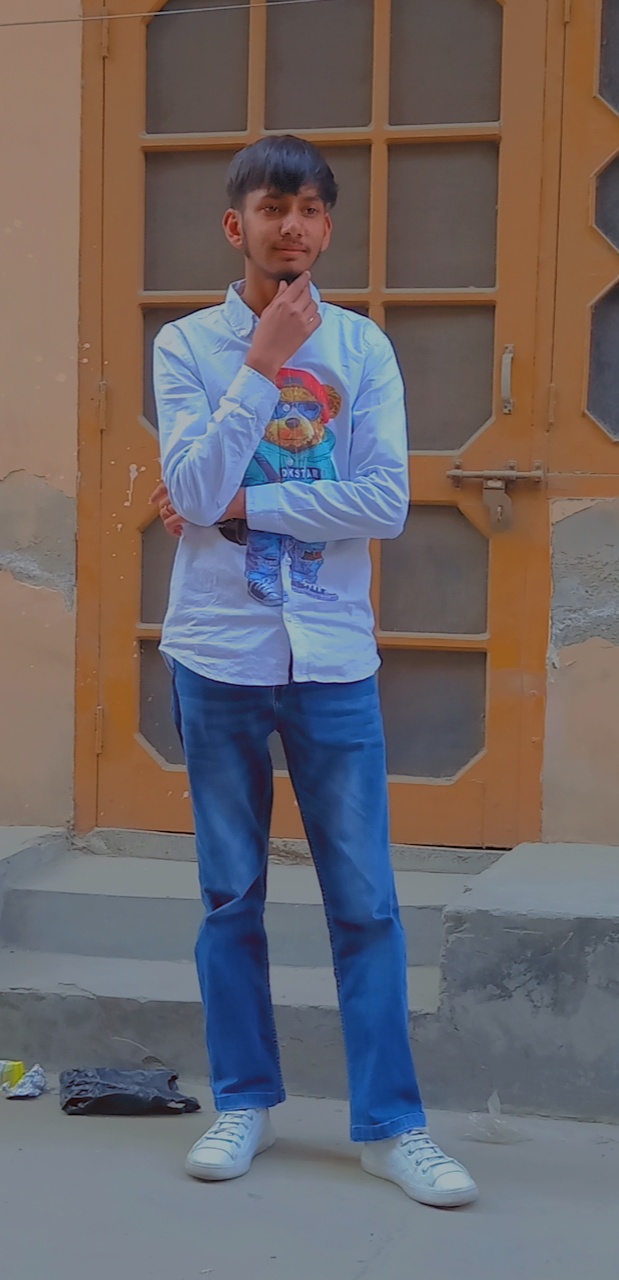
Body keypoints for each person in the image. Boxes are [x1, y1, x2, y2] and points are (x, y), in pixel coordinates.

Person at [151, 134, 478, 1209]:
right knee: (229, 894)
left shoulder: (362, 348)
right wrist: (259, 365)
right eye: (270, 206)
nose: (290, 224)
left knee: (367, 901)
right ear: (233, 225)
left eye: (308, 208)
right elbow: (191, 489)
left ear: (327, 226)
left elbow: (382, 501)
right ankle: (243, 1100)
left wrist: (241, 503)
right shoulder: (187, 346)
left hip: (332, 657)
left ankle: (391, 1125)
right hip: (218, 654)